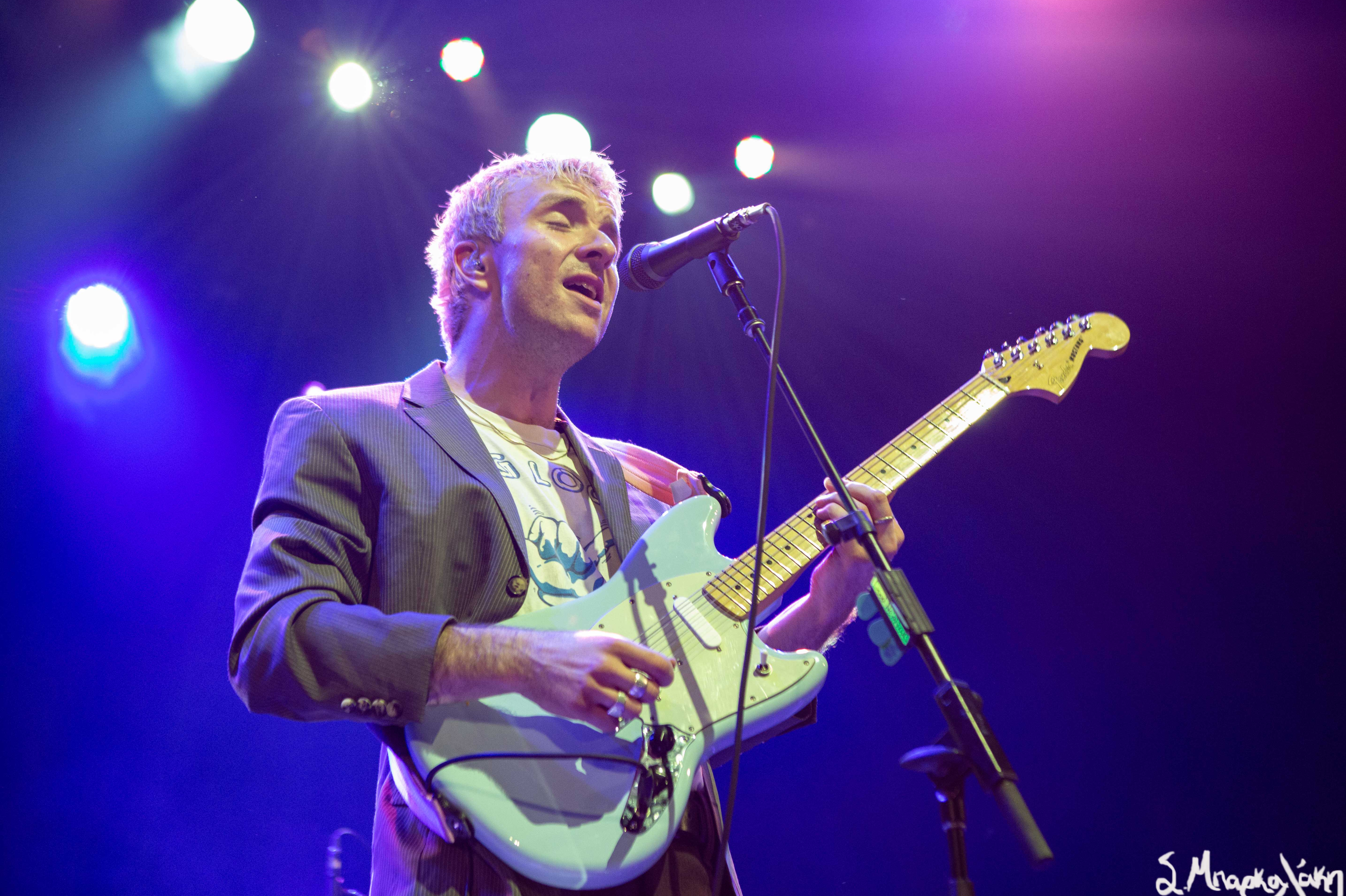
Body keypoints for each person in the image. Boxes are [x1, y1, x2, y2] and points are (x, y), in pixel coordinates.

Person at [229, 152, 904, 896]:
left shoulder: (648, 484)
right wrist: (519, 658)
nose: (605, 249)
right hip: (471, 865)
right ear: (474, 264)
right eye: (563, 219)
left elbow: (699, 705)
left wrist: (826, 604)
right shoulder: (347, 426)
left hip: (675, 869)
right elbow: (273, 643)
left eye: (611, 233)